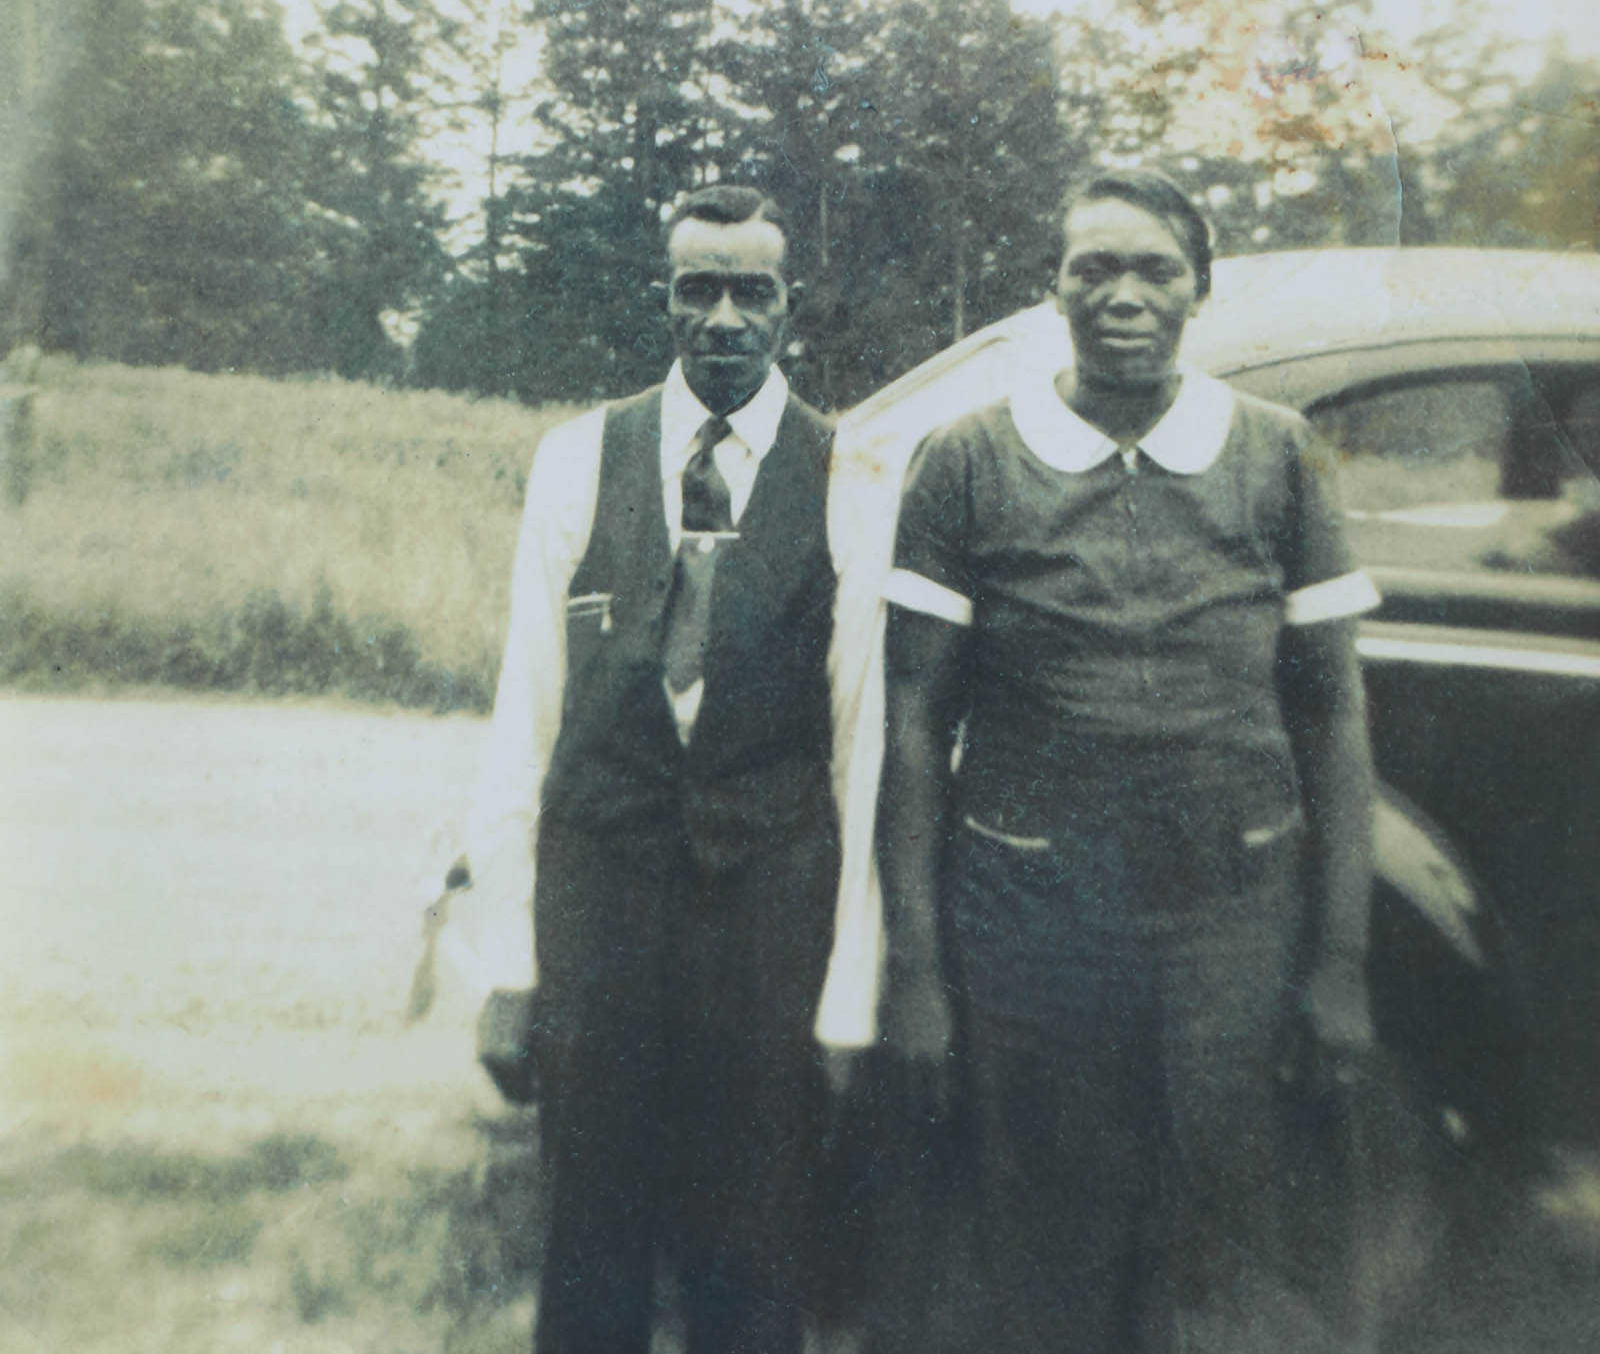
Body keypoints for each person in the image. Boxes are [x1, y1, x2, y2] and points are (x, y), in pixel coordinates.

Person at [875, 169, 1381, 1352]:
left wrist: (1341, 961)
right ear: (1052, 289)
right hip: (1028, 923)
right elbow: (909, 716)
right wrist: (915, 970)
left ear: (1199, 289)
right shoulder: (965, 461)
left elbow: (1334, 714)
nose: (1122, 294)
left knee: (1216, 1245)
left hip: (1229, 922)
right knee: (1041, 1250)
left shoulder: (1279, 456)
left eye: (1153, 267)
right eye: (1091, 267)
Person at [469, 185, 849, 1354]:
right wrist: (508, 961)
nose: (725, 316)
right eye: (700, 288)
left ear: (792, 307)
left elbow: (861, 737)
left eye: (754, 291)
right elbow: (526, 713)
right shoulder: (580, 457)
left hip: (765, 910)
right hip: (602, 901)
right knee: (591, 1231)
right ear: (667, 299)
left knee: (751, 1234)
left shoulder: (854, 474)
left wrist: (853, 991)